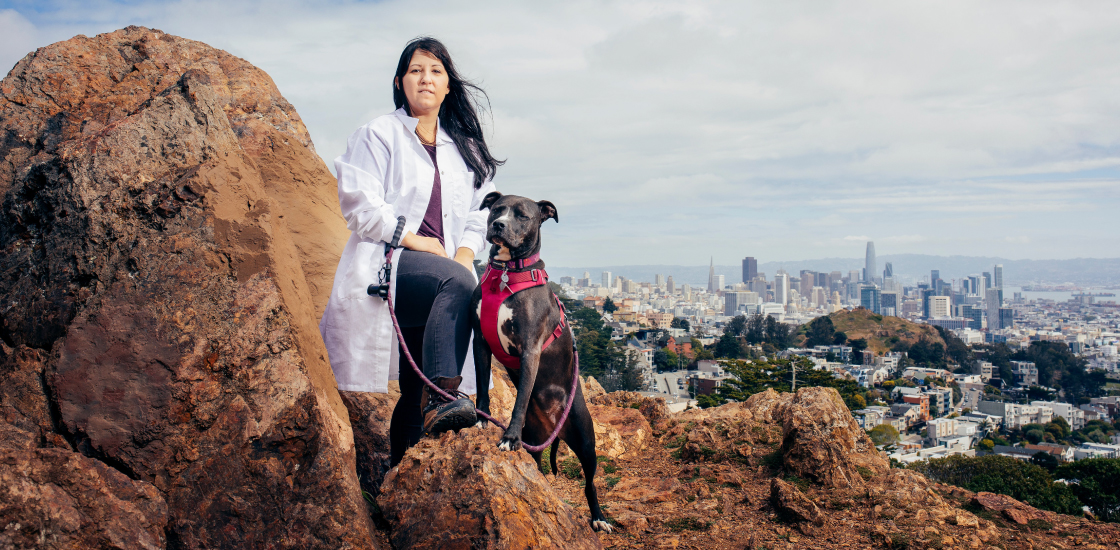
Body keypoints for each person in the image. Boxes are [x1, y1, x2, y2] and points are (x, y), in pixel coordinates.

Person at [320, 37, 503, 466]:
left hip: (440, 280)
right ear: (400, 82)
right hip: (391, 267)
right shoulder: (379, 134)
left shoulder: (466, 149)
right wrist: (411, 237)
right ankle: (444, 395)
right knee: (457, 282)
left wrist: (463, 251)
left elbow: (484, 210)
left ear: (448, 86)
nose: (426, 78)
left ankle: (400, 480)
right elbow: (359, 204)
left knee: (411, 387)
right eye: (416, 70)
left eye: (436, 71)